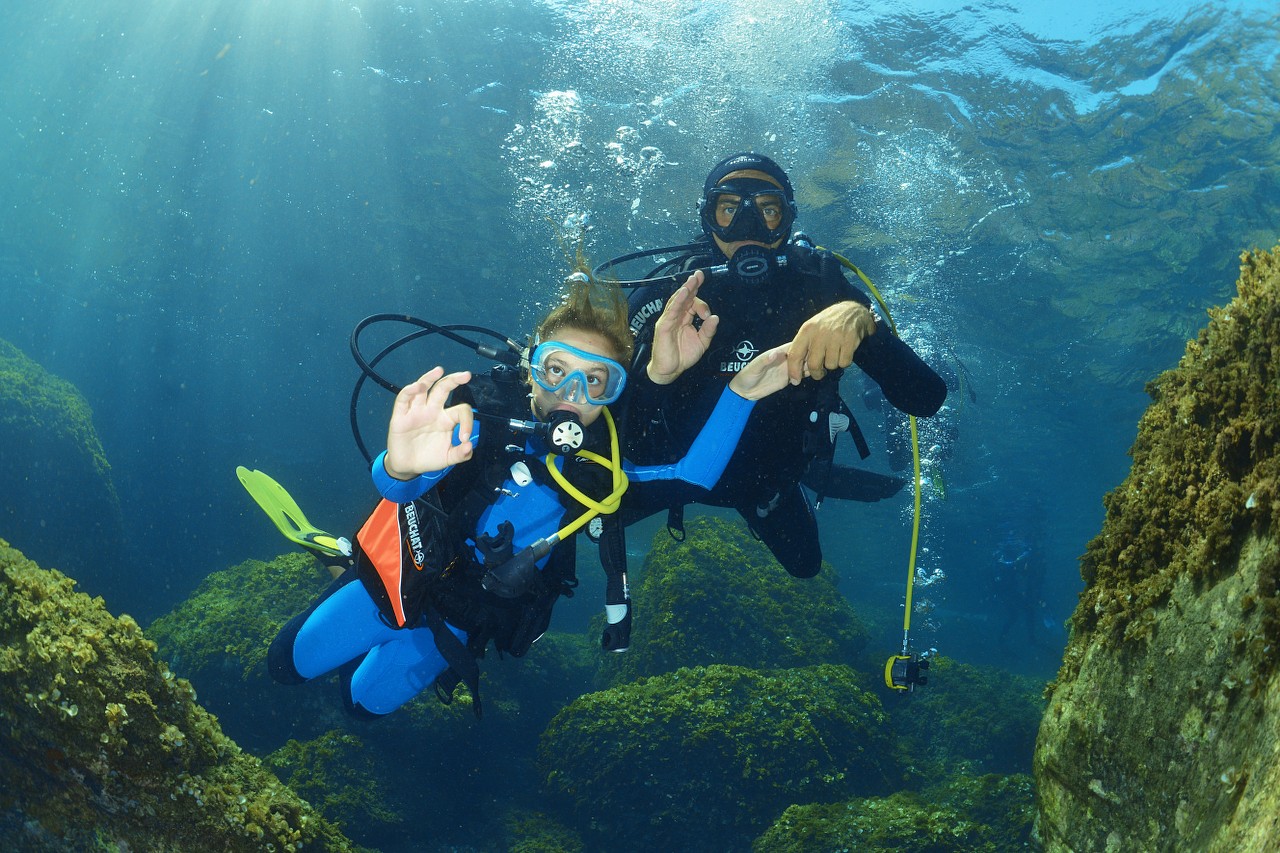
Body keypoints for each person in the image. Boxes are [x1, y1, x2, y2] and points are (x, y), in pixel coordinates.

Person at [267, 268, 793, 718]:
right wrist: (400, 467)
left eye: (596, 381)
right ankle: (342, 558)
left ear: (612, 395)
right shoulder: (481, 418)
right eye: (557, 369)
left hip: (463, 617)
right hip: (397, 574)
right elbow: (398, 480)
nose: (571, 394)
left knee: (362, 705)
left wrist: (740, 395)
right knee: (286, 665)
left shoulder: (595, 474)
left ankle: (368, 637)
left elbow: (688, 478)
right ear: (531, 368)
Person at [621, 152, 948, 578]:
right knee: (560, 525)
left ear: (787, 220)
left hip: (768, 484)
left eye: (767, 210)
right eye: (728, 209)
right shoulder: (672, 295)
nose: (747, 228)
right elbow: (613, 416)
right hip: (671, 473)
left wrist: (862, 321)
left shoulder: (821, 287)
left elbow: (926, 398)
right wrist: (654, 375)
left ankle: (811, 476)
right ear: (708, 220)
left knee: (806, 567)